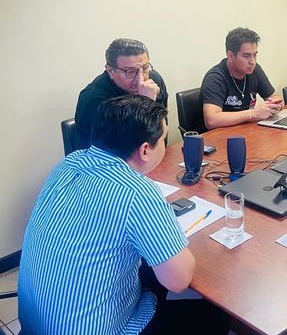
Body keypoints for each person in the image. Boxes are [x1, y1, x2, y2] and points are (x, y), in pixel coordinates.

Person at [19, 95, 229, 334]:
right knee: (215, 316)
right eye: (163, 138)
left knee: (149, 271)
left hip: (33, 326)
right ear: (145, 150)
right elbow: (179, 281)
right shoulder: (137, 192)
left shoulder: (68, 164)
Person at [75, 38, 168, 149]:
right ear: (110, 71)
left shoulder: (153, 82)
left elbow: (161, 136)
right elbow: (118, 149)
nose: (141, 78)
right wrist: (145, 104)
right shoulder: (94, 100)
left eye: (145, 68)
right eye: (130, 72)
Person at [201, 27, 282, 131]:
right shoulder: (215, 78)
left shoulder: (254, 70)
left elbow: (274, 96)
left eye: (254, 55)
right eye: (246, 56)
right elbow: (211, 120)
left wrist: (275, 104)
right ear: (230, 56)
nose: (252, 62)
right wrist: (254, 114)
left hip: (247, 131)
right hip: (220, 136)